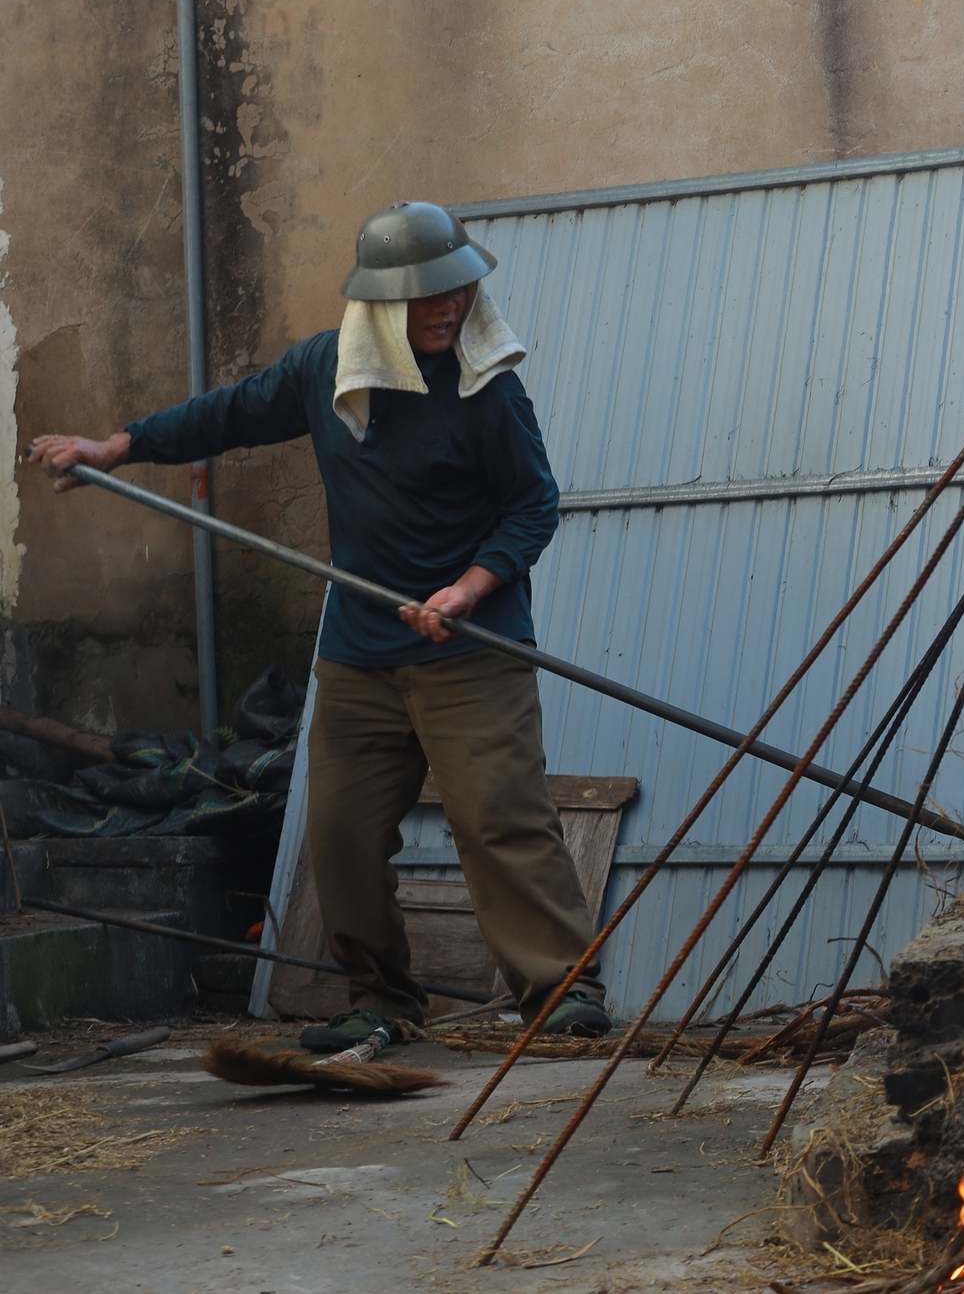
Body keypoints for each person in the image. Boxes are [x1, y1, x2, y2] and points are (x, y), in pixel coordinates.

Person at [30, 201, 612, 1050]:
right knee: (340, 834)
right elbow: (230, 414)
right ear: (381, 302)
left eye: (456, 288)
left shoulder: (488, 390)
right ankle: (381, 1001)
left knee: (500, 819)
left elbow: (533, 507)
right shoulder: (325, 370)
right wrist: (117, 447)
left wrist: (465, 590)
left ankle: (562, 993)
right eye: (425, 294)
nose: (447, 305)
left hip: (470, 651)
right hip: (359, 654)